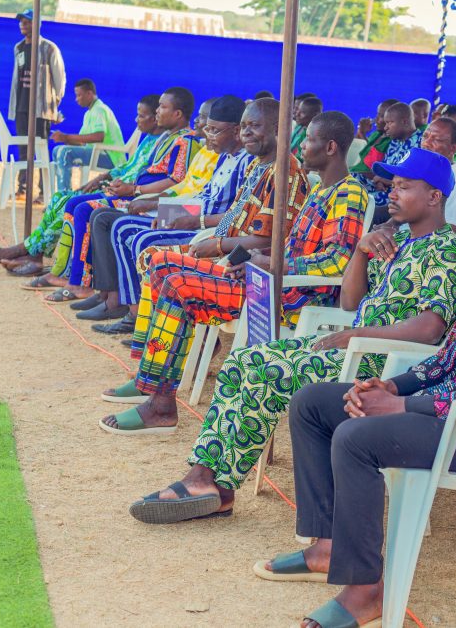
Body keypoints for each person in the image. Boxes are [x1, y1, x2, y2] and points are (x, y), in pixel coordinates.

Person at [254, 173, 456, 628]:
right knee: (312, 403)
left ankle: (365, 591)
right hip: (449, 417)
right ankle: (329, 546)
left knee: (355, 437)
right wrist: (395, 387)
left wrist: (403, 408)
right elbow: (448, 358)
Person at [127, 150, 456, 523]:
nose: (392, 193)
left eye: (404, 187)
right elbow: (349, 301)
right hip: (354, 347)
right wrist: (360, 251)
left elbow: (429, 329)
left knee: (264, 371)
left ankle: (211, 482)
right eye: (393, 185)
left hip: (384, 367)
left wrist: (358, 333)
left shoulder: (447, 251)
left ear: (435, 197)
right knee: (243, 359)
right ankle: (211, 482)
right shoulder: (399, 241)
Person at [98, 111, 364, 433]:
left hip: (287, 297)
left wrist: (267, 263)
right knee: (163, 265)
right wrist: (255, 257)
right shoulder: (322, 189)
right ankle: (149, 380)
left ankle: (161, 405)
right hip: (263, 280)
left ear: (331, 147)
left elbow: (336, 262)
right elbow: (287, 245)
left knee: (177, 284)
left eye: (308, 139)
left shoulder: (348, 194)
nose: (302, 146)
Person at [88, 96, 252, 333]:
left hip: (206, 230)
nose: (208, 134)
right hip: (193, 216)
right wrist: (164, 209)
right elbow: (200, 196)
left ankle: (140, 318)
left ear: (236, 131)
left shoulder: (245, 163)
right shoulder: (225, 157)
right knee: (115, 222)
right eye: (208, 128)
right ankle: (120, 304)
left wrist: (186, 217)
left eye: (214, 130)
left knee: (138, 237)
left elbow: (232, 213)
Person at [43, 87, 200, 309]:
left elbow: (176, 182)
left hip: (151, 202)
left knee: (86, 210)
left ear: (178, 114)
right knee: (76, 204)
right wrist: (123, 184)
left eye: (163, 107)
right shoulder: (166, 137)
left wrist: (135, 190)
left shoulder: (186, 141)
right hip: (138, 195)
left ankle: (84, 284)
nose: (157, 112)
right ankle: (88, 283)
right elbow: (144, 170)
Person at [0, 94, 163, 277]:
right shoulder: (148, 139)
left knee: (70, 203)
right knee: (59, 198)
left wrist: (114, 184)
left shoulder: (160, 142)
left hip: (125, 192)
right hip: (115, 185)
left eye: (141, 116)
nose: (136, 120)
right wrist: (103, 177)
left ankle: (30, 250)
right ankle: (35, 253)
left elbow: (140, 175)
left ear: (155, 118)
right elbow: (128, 166)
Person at [10, 8, 65, 200]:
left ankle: (43, 192)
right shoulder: (18, 48)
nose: (23, 25)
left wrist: (54, 105)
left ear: (37, 24)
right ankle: (23, 188)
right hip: (21, 107)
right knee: (23, 149)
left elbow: (59, 79)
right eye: (22, 22)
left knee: (41, 149)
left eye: (27, 21)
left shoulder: (49, 48)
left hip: (42, 109)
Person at [48, 78, 123, 190]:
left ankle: (63, 195)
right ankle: (59, 191)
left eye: (79, 95)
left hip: (111, 157)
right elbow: (83, 143)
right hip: (97, 153)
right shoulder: (89, 113)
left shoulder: (99, 109)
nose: (76, 99)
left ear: (89, 94)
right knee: (57, 150)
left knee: (64, 152)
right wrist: (64, 138)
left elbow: (99, 136)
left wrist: (66, 137)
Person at [416, 117, 456, 228]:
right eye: (425, 136)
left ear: (454, 148)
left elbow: (448, 234)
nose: (426, 144)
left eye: (436, 139)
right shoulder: (424, 173)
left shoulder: (455, 185)